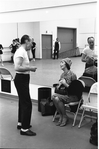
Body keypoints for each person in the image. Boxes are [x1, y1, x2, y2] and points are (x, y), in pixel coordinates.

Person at [14, 35, 37, 136]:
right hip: (21, 79)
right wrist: (30, 68)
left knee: (22, 102)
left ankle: (21, 123)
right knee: (27, 103)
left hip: (22, 79)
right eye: (31, 42)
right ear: (26, 41)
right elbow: (17, 67)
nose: (31, 44)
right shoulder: (21, 51)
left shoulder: (23, 51)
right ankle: (24, 129)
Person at [52, 58, 77, 127]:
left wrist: (65, 84)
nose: (60, 64)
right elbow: (60, 87)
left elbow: (74, 90)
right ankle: (62, 115)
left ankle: (64, 116)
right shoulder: (62, 75)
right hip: (64, 95)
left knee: (56, 97)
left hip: (72, 96)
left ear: (67, 64)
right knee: (54, 97)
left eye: (62, 62)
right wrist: (59, 85)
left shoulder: (73, 75)